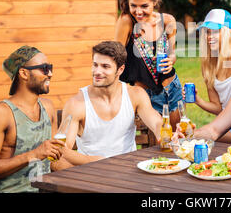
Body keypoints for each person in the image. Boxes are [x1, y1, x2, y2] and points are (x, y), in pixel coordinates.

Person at [53, 41, 163, 170]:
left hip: (130, 171)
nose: (97, 71)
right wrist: (94, 161)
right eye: (95, 65)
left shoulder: (135, 95)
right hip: (93, 174)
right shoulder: (77, 104)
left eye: (105, 66)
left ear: (120, 70)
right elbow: (61, 150)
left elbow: (156, 123)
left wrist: (164, 134)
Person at [0, 46, 65, 193]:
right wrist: (34, 154)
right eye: (44, 68)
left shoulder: (48, 107)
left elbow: (54, 162)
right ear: (24, 73)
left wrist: (92, 173)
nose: (50, 73)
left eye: (50, 67)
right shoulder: (0, 113)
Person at [114, 0, 182, 130]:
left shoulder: (167, 20)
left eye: (144, 6)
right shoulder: (127, 21)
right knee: (158, 145)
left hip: (172, 88)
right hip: (146, 95)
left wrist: (172, 59)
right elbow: (115, 58)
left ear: (155, 2)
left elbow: (172, 53)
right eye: (133, 5)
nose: (138, 11)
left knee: (180, 139)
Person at [188, 8, 231, 143]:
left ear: (228, 33)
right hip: (225, 126)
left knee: (197, 137)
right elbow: (218, 108)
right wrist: (198, 101)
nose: (210, 37)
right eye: (207, 32)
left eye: (215, 31)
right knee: (196, 136)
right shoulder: (208, 66)